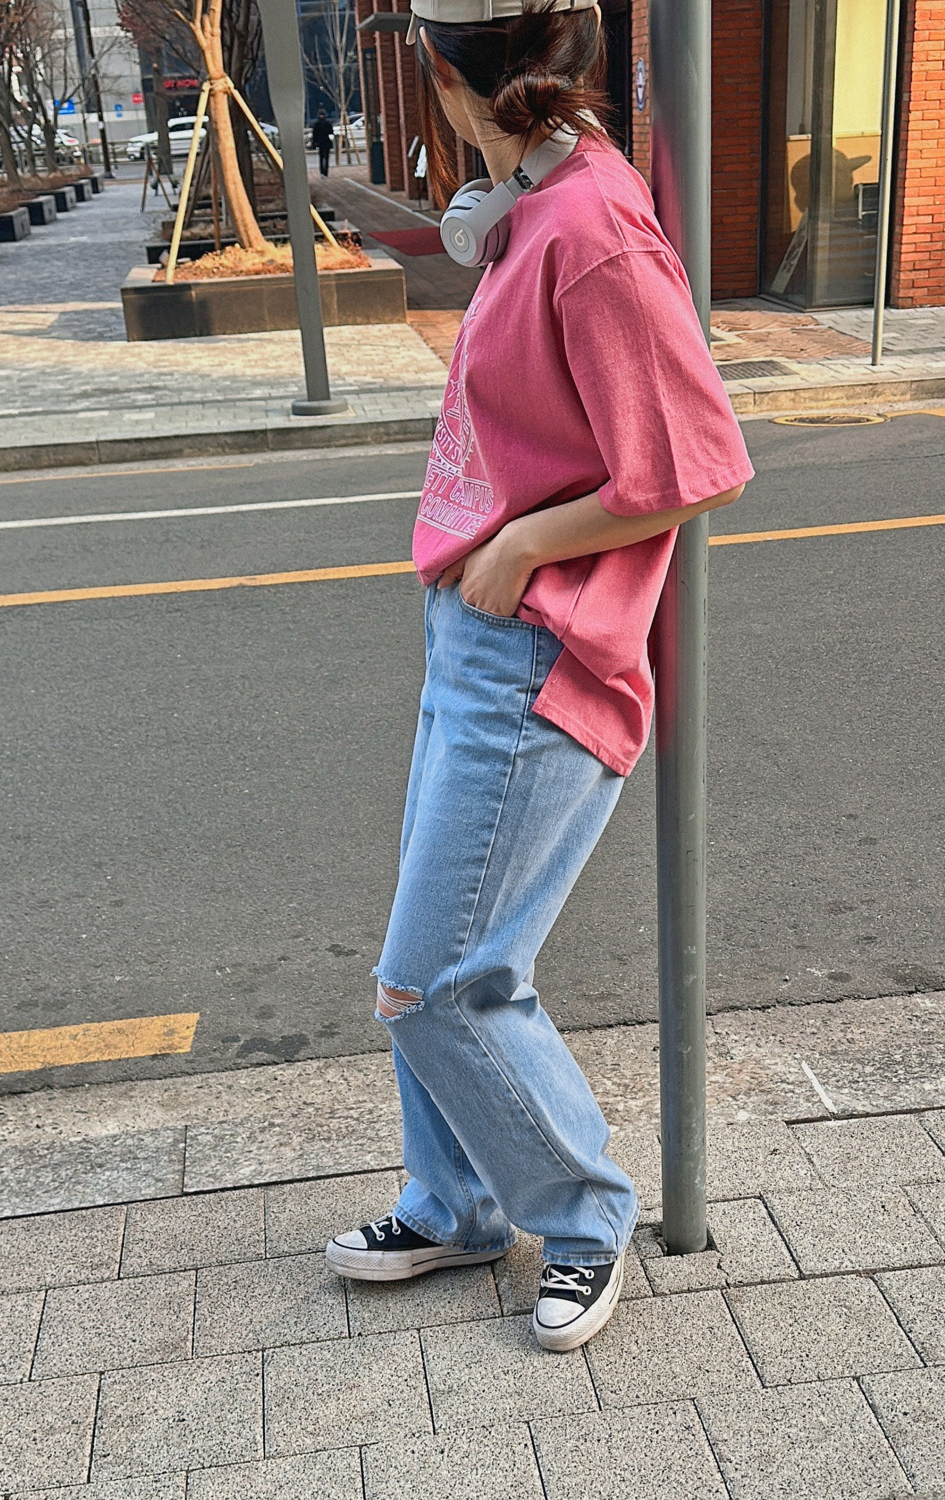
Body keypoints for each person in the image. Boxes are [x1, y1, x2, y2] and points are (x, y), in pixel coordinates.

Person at [325, 0, 754, 1352]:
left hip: (538, 653)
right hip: (477, 638)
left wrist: (520, 545)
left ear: (446, 81)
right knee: (429, 962)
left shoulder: (588, 228)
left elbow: (698, 463)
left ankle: (581, 1216)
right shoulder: (535, 196)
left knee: (438, 980)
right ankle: (454, 1204)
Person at [310, 106, 334, 176]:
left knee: (321, 157)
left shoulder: (316, 124)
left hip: (320, 142)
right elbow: (331, 133)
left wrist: (314, 143)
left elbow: (314, 134)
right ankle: (326, 172)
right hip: (326, 142)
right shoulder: (328, 123)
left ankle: (322, 172)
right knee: (326, 158)